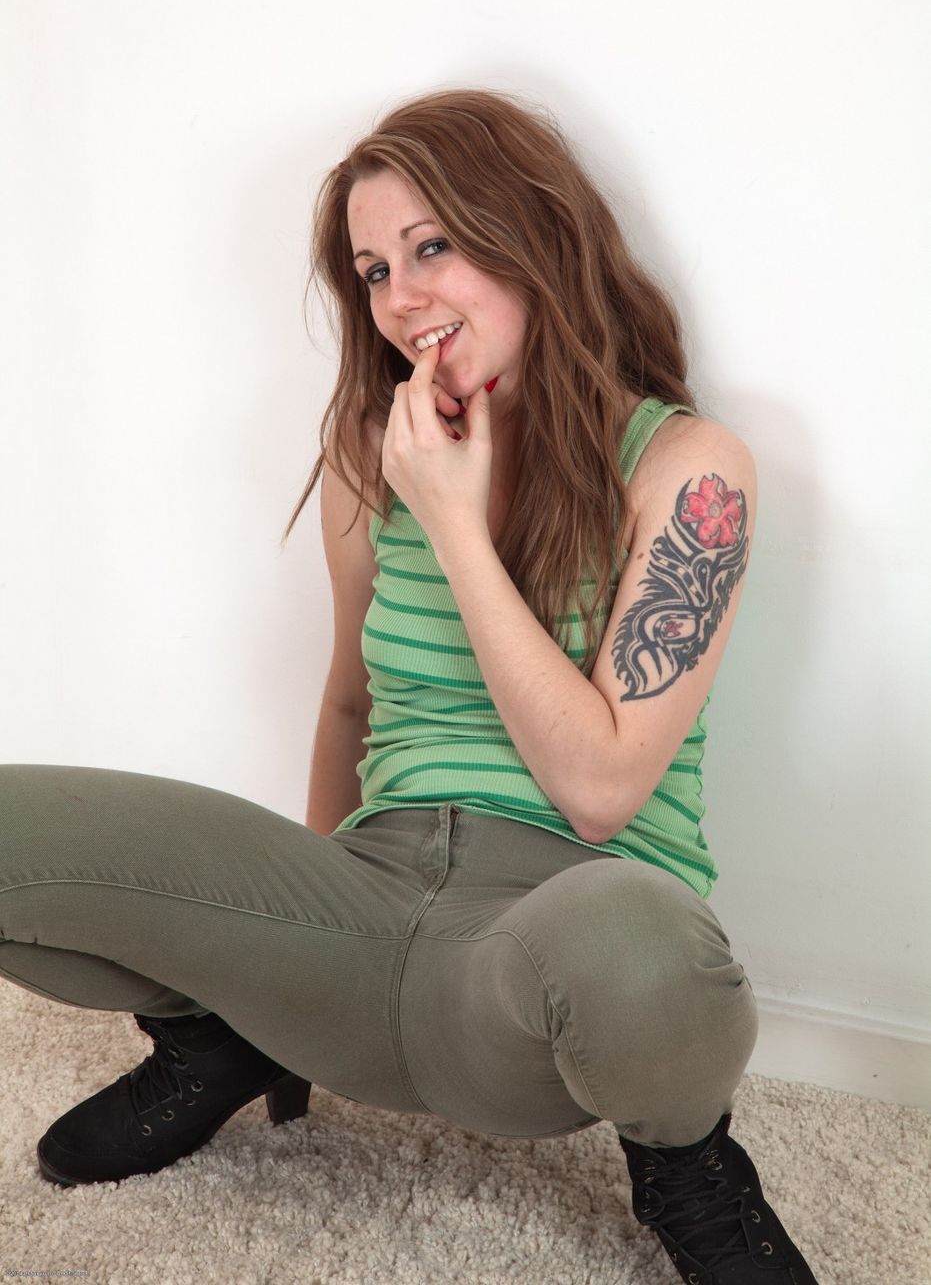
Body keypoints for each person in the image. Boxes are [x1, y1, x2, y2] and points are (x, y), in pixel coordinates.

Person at [0, 88, 817, 1284]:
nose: (400, 298)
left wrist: (455, 523)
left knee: (644, 947)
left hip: (545, 950)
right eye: (374, 270)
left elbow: (599, 790)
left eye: (432, 246)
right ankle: (221, 1043)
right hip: (361, 905)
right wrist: (288, 955)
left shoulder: (690, 467)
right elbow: (349, 702)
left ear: (535, 233)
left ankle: (683, 1155)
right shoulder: (367, 457)